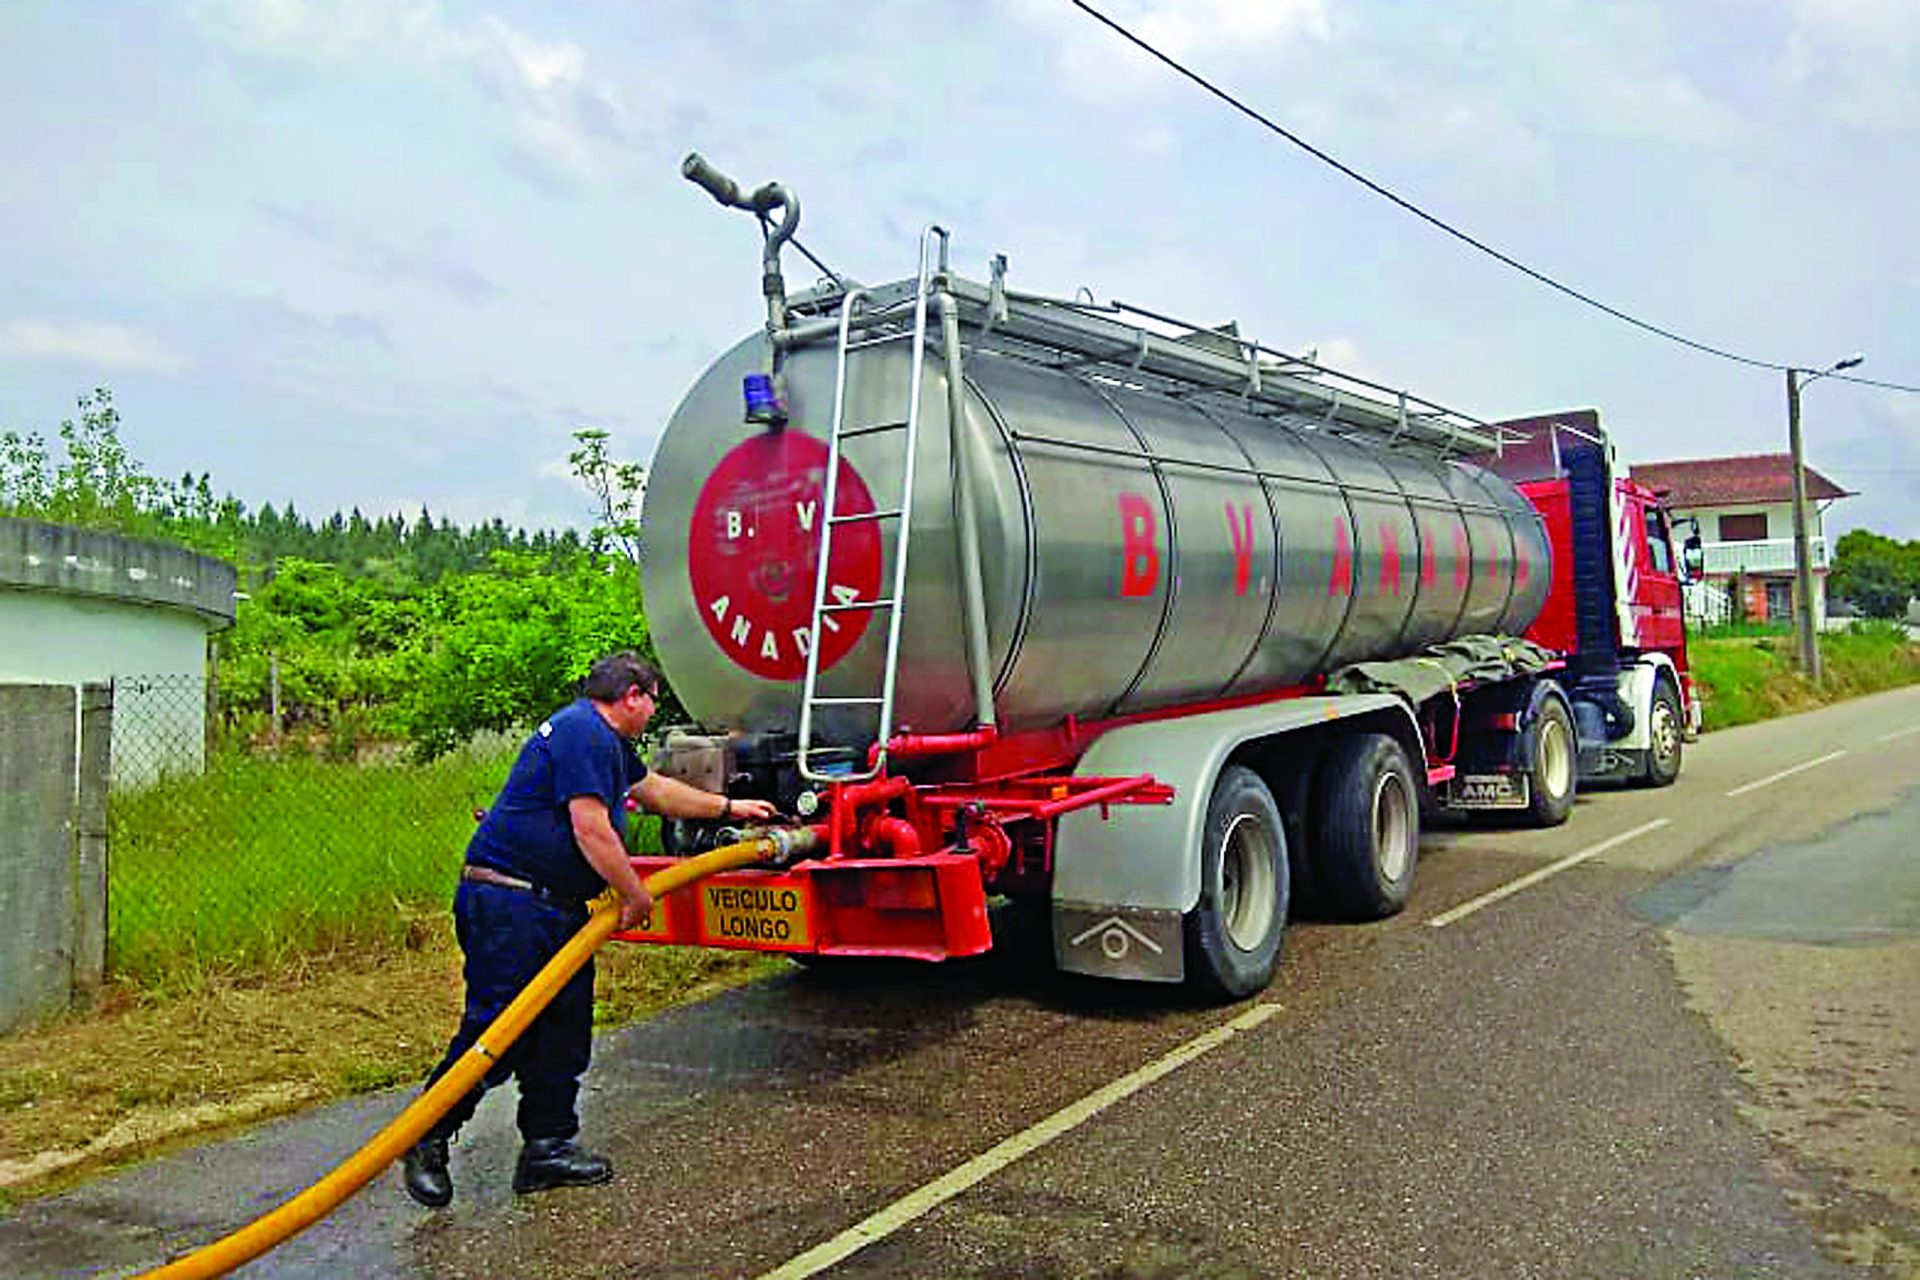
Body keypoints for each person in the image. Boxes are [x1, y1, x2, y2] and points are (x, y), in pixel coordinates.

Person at [403, 650, 777, 1208]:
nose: (653, 712)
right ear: (633, 695)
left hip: (552, 907)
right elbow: (591, 828)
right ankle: (425, 1136)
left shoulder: (604, 742)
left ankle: (548, 1148)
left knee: (563, 1028)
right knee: (500, 1031)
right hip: (512, 902)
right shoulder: (584, 732)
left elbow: (652, 790)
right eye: (652, 701)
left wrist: (729, 807)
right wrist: (634, 893)